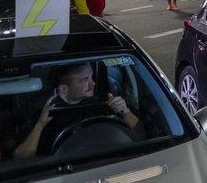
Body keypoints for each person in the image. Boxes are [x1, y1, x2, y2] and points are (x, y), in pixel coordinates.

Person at [14, 62, 142, 159]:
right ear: (64, 89)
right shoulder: (40, 110)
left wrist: (125, 112)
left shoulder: (104, 102)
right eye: (84, 80)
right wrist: (40, 125)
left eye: (91, 77)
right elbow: (21, 158)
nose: (93, 84)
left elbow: (141, 137)